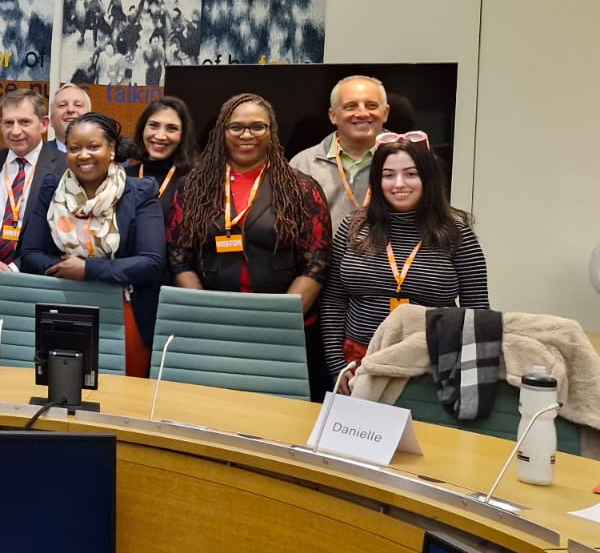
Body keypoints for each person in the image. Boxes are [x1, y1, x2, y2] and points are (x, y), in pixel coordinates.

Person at [168, 93, 334, 398]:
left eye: (258, 126)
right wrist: (208, 314)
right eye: (236, 127)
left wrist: (279, 319)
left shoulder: (302, 188)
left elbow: (317, 263)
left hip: (282, 328)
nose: (247, 135)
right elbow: (180, 258)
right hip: (212, 327)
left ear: (272, 131)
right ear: (222, 132)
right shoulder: (193, 186)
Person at [318, 134, 489, 387]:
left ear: (428, 178)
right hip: (359, 361)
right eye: (388, 175)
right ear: (377, 180)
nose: (399, 184)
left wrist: (471, 375)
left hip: (431, 364)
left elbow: (477, 310)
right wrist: (336, 365)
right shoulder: (353, 226)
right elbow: (333, 300)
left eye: (411, 174)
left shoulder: (456, 233)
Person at [18, 113, 167, 377]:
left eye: (93, 147)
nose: (83, 155)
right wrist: (67, 269)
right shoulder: (52, 188)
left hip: (124, 314)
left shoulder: (140, 192)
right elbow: (30, 254)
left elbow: (151, 262)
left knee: (121, 401)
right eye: (74, 148)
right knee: (59, 390)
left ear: (111, 149)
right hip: (61, 307)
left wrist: (88, 270)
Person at [0, 89, 67, 354]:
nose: (15, 130)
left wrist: (13, 270)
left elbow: (63, 231)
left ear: (44, 124)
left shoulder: (65, 168)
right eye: (8, 122)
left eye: (24, 122)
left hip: (37, 289)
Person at [290, 75, 390, 228]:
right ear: (333, 116)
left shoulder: (410, 161)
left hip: (391, 252)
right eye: (350, 106)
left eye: (371, 105)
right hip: (321, 252)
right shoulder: (304, 164)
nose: (362, 113)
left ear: (385, 113)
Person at [122, 96, 196, 218]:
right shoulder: (121, 177)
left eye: (171, 128)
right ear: (142, 129)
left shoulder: (194, 180)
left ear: (183, 135)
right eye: (154, 125)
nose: (160, 136)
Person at [50, 83, 92, 152]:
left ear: (90, 118)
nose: (70, 109)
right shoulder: (37, 157)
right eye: (62, 105)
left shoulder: (103, 157)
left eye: (78, 105)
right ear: (51, 120)